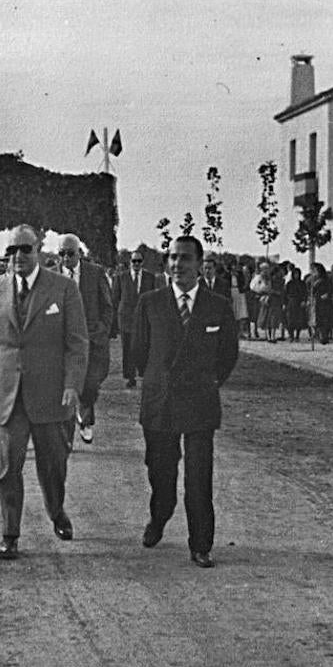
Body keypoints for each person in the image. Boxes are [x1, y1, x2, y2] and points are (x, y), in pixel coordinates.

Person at [0, 225, 89, 560]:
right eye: (11, 251)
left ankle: (56, 511)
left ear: (39, 250)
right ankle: (10, 533)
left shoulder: (63, 288)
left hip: (51, 395)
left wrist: (72, 385)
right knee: (9, 468)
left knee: (53, 466)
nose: (18, 256)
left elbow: (77, 343)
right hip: (9, 395)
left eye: (25, 249)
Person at [133, 236, 239, 569]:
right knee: (161, 473)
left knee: (199, 477)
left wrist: (207, 382)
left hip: (199, 404)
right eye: (173, 258)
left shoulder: (217, 305)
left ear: (198, 263)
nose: (178, 264)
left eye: (185, 258)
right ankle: (159, 516)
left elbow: (227, 355)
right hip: (160, 403)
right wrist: (157, 381)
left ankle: (201, 544)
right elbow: (139, 352)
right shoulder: (150, 303)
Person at [57, 234, 112, 444]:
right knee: (66, 387)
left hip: (92, 342)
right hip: (63, 344)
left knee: (89, 385)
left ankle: (86, 418)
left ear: (80, 253)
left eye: (70, 253)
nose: (66, 258)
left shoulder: (95, 273)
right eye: (61, 253)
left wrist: (101, 331)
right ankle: (67, 434)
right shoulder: (52, 275)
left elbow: (107, 306)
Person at [113, 251, 157, 388]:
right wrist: (114, 322)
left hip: (144, 318)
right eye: (134, 261)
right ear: (130, 262)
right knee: (127, 348)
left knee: (143, 346)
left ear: (142, 262)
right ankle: (130, 376)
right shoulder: (121, 277)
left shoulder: (150, 277)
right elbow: (115, 299)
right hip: (126, 317)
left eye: (139, 261)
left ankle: (143, 373)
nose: (136, 264)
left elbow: (153, 298)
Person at [284, 266, 308, 342]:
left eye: (297, 274)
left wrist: (304, 300)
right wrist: (285, 303)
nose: (296, 275)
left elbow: (305, 293)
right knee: (290, 320)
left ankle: (297, 336)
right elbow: (285, 294)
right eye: (295, 274)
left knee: (299, 320)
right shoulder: (289, 284)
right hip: (291, 303)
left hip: (299, 303)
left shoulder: (302, 283)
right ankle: (291, 336)